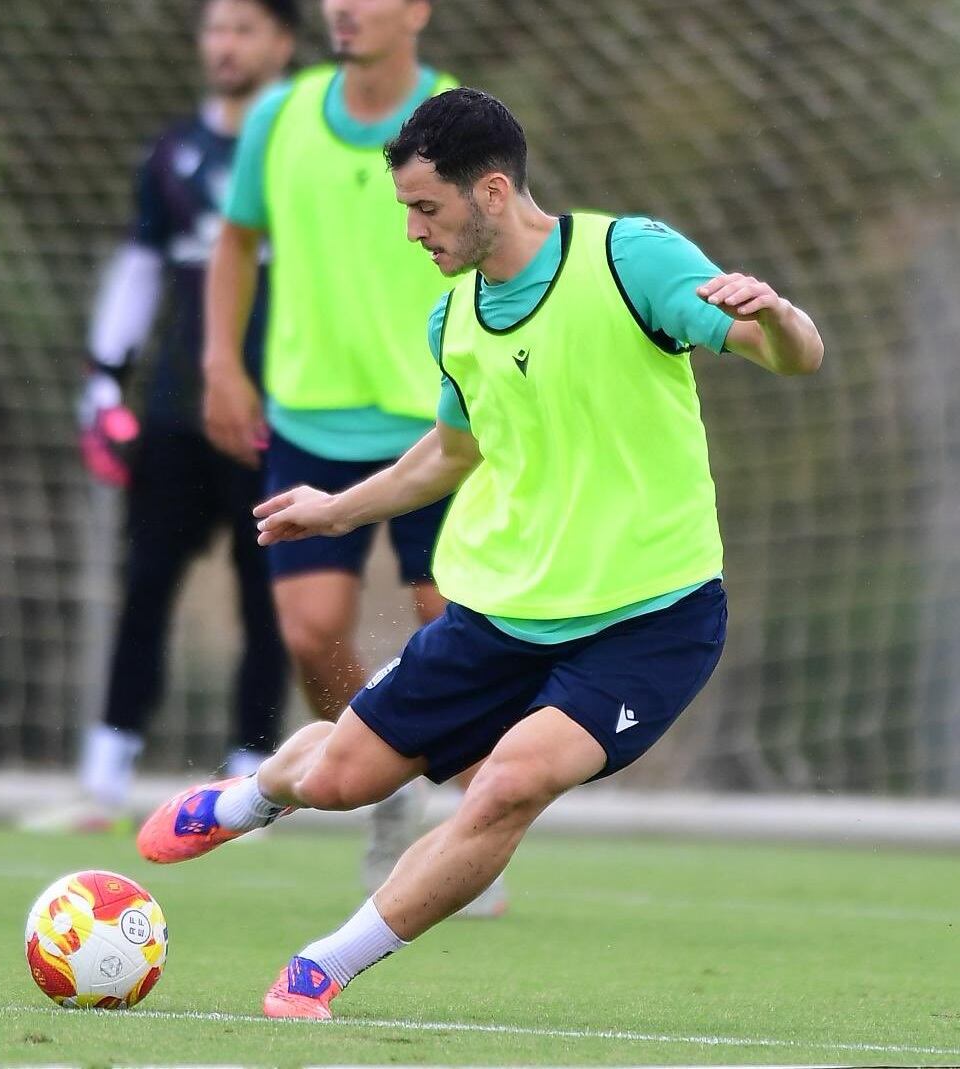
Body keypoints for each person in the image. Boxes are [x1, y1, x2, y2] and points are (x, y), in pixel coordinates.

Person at [138, 87, 823, 1019]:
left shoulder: (631, 259)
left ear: (492, 192)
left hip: (651, 619)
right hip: (503, 612)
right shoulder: (454, 320)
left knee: (507, 783)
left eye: (427, 208)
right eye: (406, 210)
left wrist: (774, 312)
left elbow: (796, 356)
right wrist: (340, 509)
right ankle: (250, 798)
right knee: (340, 778)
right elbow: (454, 450)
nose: (414, 230)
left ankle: (322, 967)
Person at [200, 0, 482, 901]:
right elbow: (236, 242)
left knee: (456, 632)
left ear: (418, 11)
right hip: (309, 421)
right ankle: (387, 785)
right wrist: (220, 359)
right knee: (312, 632)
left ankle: (472, 829)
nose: (343, 8)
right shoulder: (280, 117)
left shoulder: (462, 120)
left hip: (440, 420)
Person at [26, 0, 300, 832]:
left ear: (284, 41)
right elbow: (141, 266)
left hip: (284, 416)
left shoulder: (312, 148)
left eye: (244, 29)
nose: (225, 44)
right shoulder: (172, 152)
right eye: (215, 28)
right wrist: (104, 384)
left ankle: (251, 790)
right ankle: (102, 780)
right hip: (178, 413)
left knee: (271, 604)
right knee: (145, 588)